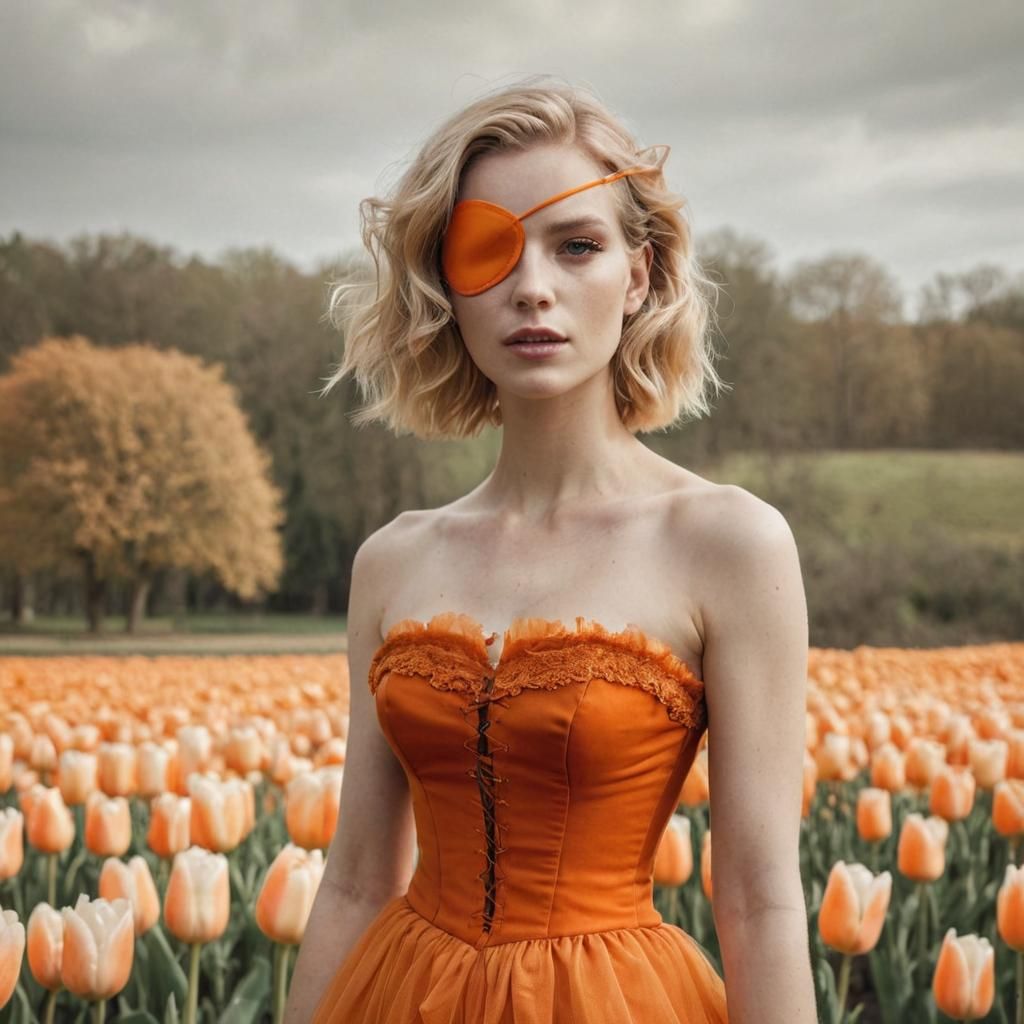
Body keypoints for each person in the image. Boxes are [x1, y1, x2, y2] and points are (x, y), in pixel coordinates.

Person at [286, 78, 817, 1023]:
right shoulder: (393, 559)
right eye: (488, 248)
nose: (533, 286)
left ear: (639, 275)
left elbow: (759, 899)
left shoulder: (729, 543)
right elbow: (358, 880)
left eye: (577, 246)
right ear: (447, 284)